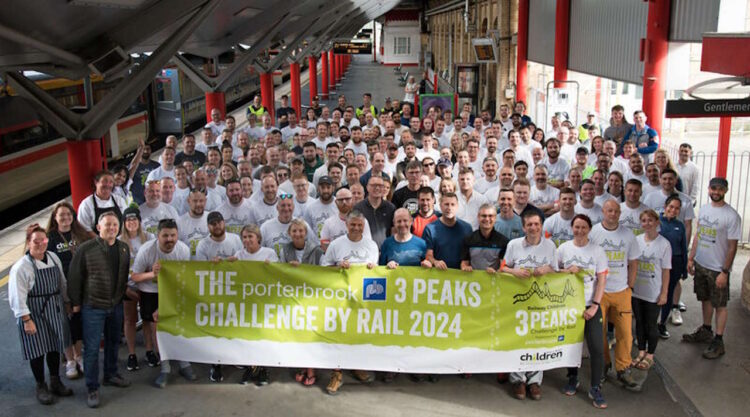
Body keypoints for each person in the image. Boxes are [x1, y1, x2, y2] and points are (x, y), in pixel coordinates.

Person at [68, 211, 131, 408]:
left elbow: (123, 274)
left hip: (115, 305)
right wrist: (76, 302)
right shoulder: (85, 249)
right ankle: (92, 387)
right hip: (92, 306)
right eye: (107, 225)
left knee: (113, 343)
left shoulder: (123, 248)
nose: (112, 228)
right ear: (98, 227)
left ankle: (111, 375)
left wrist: (121, 296)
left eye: (115, 225)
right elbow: (74, 277)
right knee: (93, 349)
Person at [9, 224, 74, 405]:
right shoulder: (21, 267)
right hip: (33, 312)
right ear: (29, 243)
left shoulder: (53, 257)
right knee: (37, 350)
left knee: (54, 346)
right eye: (35, 241)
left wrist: (67, 301)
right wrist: (26, 319)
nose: (40, 244)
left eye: (43, 240)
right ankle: (40, 385)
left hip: (54, 307)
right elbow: (17, 297)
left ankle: (55, 380)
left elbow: (62, 281)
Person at [131, 219, 197, 388]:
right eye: (165, 235)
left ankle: (184, 363)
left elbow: (184, 278)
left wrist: (167, 303)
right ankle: (165, 368)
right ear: (158, 236)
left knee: (179, 326)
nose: (169, 239)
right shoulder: (147, 250)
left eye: (173, 235)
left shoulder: (182, 249)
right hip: (151, 292)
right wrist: (151, 274)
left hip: (174, 290)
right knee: (157, 330)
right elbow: (135, 276)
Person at [321, 211, 379, 395]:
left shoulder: (371, 245)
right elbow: (324, 268)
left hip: (363, 300)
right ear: (346, 225)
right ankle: (336, 374)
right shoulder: (336, 244)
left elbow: (376, 272)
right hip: (340, 299)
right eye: (352, 225)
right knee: (338, 336)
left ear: (364, 226)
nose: (356, 228)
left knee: (359, 335)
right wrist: (337, 266)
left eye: (359, 225)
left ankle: (356, 367)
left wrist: (373, 269)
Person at [501, 211, 557, 400]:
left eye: (536, 224)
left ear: (542, 226)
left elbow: (556, 270)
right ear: (523, 227)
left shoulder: (550, 246)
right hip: (517, 300)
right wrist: (514, 272)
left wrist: (546, 269)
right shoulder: (513, 245)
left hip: (540, 302)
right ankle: (518, 380)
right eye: (529, 225)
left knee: (538, 340)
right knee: (517, 339)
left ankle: (534, 381)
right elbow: (503, 267)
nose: (533, 227)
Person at [684, 177, 741, 359]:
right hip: (702, 264)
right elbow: (698, 235)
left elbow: (732, 247)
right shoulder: (705, 209)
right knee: (705, 299)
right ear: (708, 189)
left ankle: (719, 340)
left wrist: (725, 271)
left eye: (720, 189)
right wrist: (691, 258)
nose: (716, 192)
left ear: (725, 191)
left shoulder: (731, 216)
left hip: (718, 268)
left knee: (720, 305)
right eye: (713, 189)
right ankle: (706, 329)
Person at [557, 214, 608, 409]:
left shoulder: (598, 251)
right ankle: (572, 378)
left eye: (583, 227)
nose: (579, 231)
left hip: (590, 305)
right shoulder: (563, 249)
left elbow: (602, 279)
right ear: (572, 228)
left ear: (589, 229)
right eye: (576, 227)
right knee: (572, 345)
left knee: (596, 347)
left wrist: (595, 304)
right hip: (569, 305)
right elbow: (555, 273)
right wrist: (567, 271)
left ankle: (595, 387)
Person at [589, 200, 639, 390]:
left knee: (625, 334)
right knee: (599, 334)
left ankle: (623, 368)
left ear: (620, 213)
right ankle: (603, 365)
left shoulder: (628, 235)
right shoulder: (594, 233)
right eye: (609, 210)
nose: (613, 214)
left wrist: (630, 287)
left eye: (616, 211)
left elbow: (633, 263)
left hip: (621, 291)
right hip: (599, 292)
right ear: (603, 212)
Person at [45, 202, 95, 379]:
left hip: (81, 286)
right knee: (64, 324)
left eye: (68, 214)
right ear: (55, 217)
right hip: (60, 287)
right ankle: (69, 360)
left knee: (78, 323)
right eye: (61, 215)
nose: (65, 218)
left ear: (73, 216)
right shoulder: (50, 237)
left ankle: (79, 355)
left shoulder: (80, 234)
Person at [194, 211, 243, 383]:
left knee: (234, 324)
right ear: (208, 227)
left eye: (219, 222)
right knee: (216, 327)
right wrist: (211, 265)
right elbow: (199, 270)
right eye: (213, 224)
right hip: (213, 289)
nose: (217, 226)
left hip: (233, 288)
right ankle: (215, 363)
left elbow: (243, 262)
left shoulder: (235, 239)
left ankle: (235, 357)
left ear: (224, 223)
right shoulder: (203, 245)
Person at [279, 219, 324, 386]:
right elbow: (280, 271)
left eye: (300, 231)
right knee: (297, 332)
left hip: (311, 297)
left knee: (310, 333)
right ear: (289, 233)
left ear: (306, 233)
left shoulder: (317, 250)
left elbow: (322, 272)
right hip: (293, 297)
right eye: (294, 231)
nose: (297, 234)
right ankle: (300, 364)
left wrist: (303, 269)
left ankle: (310, 367)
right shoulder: (285, 249)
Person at [631, 209, 671, 371]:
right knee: (639, 322)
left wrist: (664, 293)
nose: (647, 224)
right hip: (637, 290)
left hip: (653, 291)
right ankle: (641, 350)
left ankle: (650, 355)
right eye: (644, 221)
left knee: (651, 324)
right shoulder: (636, 240)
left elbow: (666, 270)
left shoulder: (664, 244)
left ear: (657, 222)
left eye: (650, 220)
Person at [118, 207, 154, 372]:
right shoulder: (119, 241)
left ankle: (149, 350)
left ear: (139, 221)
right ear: (124, 223)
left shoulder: (149, 237)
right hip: (128, 285)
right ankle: (132, 354)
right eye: (128, 220)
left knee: (147, 319)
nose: (131, 223)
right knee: (129, 319)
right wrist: (124, 288)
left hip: (146, 284)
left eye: (134, 219)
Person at [658, 195, 688, 338]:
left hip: (674, 263)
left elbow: (683, 248)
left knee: (668, 294)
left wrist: (684, 268)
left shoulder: (680, 226)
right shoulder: (656, 222)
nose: (673, 210)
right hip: (657, 263)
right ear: (665, 206)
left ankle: (662, 324)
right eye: (671, 207)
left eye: (677, 208)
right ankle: (649, 325)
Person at [422, 193, 473, 270]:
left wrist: (466, 266)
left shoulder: (467, 228)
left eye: (452, 204)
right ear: (440, 206)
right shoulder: (430, 229)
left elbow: (469, 254)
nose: (449, 208)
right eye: (446, 204)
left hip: (461, 277)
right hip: (438, 275)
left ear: (457, 206)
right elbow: (428, 255)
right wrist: (435, 262)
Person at [460, 204, 509, 273]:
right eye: (484, 216)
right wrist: (465, 268)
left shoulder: (503, 241)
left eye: (490, 216)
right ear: (478, 217)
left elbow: (503, 267)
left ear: (495, 218)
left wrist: (496, 272)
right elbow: (464, 263)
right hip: (473, 281)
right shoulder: (468, 239)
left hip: (494, 281)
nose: (487, 219)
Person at [355, 175, 396, 248]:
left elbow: (393, 231)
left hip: (385, 250)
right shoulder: (358, 208)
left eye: (380, 185)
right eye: (373, 185)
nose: (377, 188)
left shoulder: (391, 208)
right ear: (367, 187)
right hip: (365, 250)